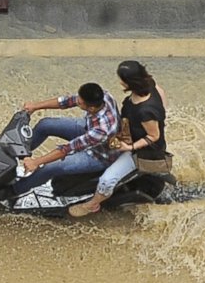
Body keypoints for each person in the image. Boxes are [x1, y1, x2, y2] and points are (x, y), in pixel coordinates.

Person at [70, 59, 170, 219]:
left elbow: (153, 136)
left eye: (122, 79)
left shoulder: (146, 111)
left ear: (131, 82)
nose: (120, 82)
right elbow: (162, 95)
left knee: (107, 179)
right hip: (130, 134)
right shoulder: (150, 84)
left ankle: (92, 204)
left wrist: (129, 147)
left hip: (141, 152)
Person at [16, 80, 121, 193]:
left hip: (98, 155)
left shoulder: (102, 130)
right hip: (88, 130)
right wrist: (35, 106)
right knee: (45, 124)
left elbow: (66, 149)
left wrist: (36, 162)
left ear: (91, 108)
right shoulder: (103, 96)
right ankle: (20, 153)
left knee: (50, 167)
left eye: (80, 103)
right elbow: (67, 101)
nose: (77, 102)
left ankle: (15, 190)